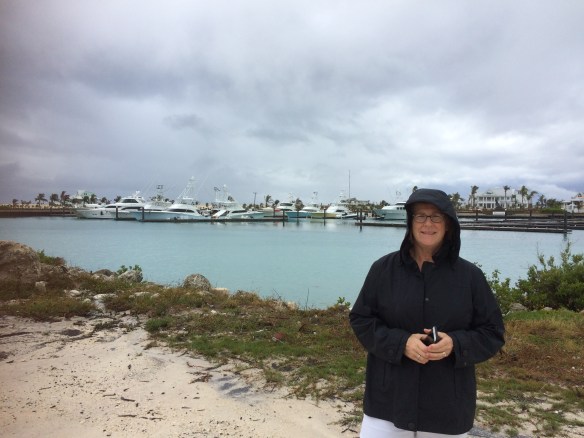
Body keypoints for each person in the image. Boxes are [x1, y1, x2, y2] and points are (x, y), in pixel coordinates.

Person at [349, 188, 505, 437]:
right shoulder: (383, 269)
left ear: (449, 224)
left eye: (436, 217)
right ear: (410, 222)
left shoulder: (470, 277)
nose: (428, 224)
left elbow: (492, 332)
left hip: (447, 405)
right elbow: (361, 319)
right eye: (420, 216)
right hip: (387, 401)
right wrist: (401, 343)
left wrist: (456, 344)